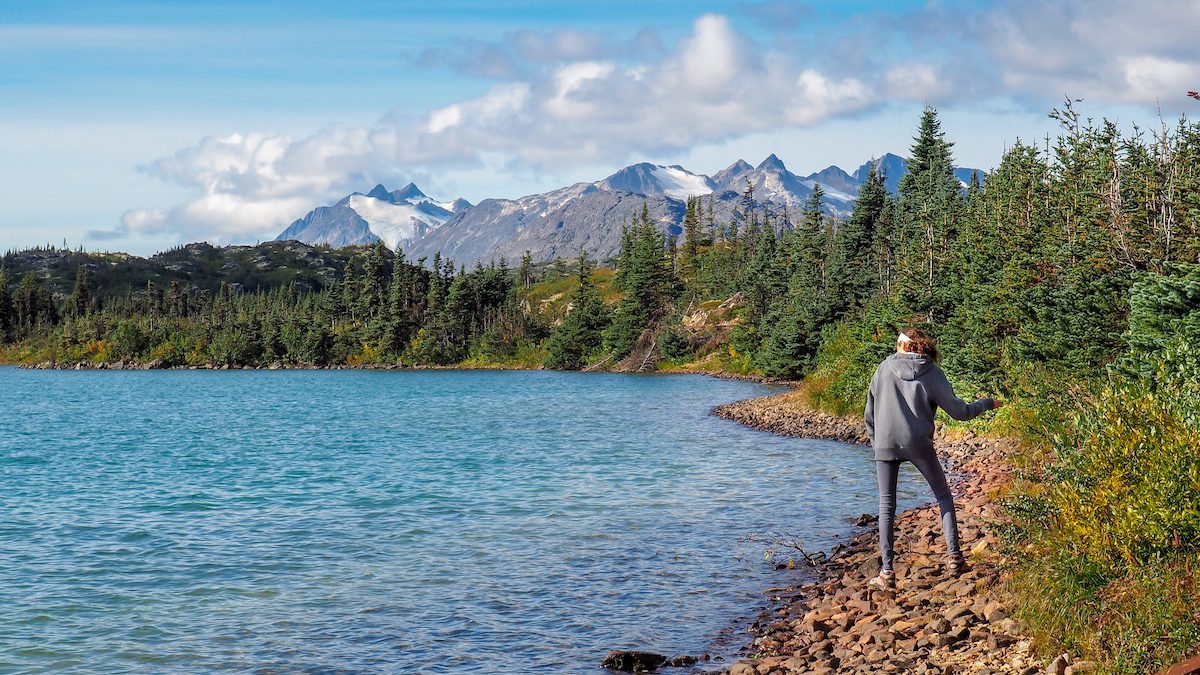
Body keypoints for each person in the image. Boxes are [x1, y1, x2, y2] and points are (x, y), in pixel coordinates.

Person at [863, 327, 1002, 590]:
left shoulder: (883, 368)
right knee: (943, 495)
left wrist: (877, 443)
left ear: (903, 345)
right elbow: (960, 412)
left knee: (886, 506)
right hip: (918, 443)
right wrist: (986, 403)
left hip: (885, 443)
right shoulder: (931, 372)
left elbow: (869, 415)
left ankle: (887, 573)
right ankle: (954, 558)